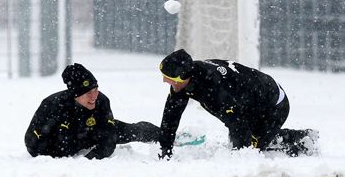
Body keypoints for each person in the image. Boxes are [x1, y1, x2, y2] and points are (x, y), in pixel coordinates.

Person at [157, 49, 316, 160]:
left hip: (273, 104)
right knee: (250, 138)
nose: (165, 81)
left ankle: (303, 142)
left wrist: (240, 158)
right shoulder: (183, 82)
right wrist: (165, 148)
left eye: (169, 77)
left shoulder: (217, 88)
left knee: (251, 151)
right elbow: (171, 116)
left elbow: (238, 125)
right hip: (248, 101)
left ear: (183, 75)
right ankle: (294, 138)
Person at [24, 63, 160, 159]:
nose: (94, 96)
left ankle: (165, 135)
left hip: (91, 132)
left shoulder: (101, 101)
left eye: (95, 89)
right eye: (88, 93)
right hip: (61, 142)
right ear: (75, 94)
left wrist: (90, 159)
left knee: (131, 130)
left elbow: (109, 138)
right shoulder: (53, 106)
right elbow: (32, 144)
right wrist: (61, 155)